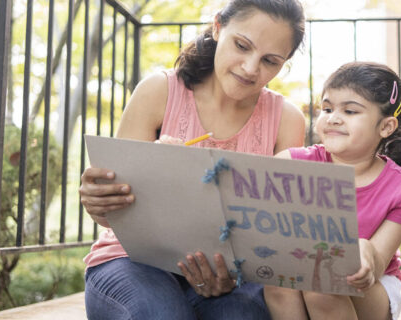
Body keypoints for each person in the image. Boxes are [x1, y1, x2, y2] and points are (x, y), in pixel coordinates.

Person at [78, 1, 306, 319]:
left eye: (270, 61)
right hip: (132, 261)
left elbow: (278, 236)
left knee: (240, 315)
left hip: (234, 276)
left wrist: (231, 274)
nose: (251, 68)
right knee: (161, 313)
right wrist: (99, 201)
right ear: (217, 27)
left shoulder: (287, 120)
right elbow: (112, 214)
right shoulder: (159, 91)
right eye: (241, 46)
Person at [263, 61, 401, 320]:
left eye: (350, 111)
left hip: (371, 287)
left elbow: (378, 262)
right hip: (301, 275)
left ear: (386, 127)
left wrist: (362, 249)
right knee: (278, 282)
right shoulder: (291, 164)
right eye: (326, 108)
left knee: (324, 282)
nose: (333, 118)